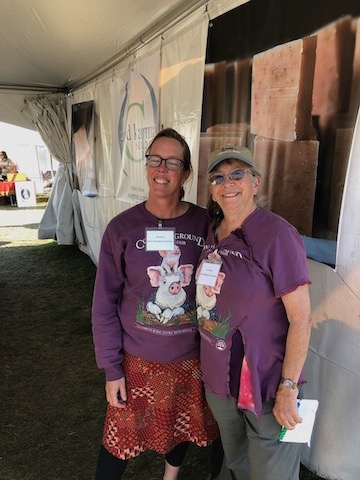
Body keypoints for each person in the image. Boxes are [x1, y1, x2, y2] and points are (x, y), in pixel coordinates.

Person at [92, 128, 219, 480]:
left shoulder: (205, 224)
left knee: (179, 426)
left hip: (190, 360)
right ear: (146, 165)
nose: (161, 168)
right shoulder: (122, 228)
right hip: (137, 363)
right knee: (118, 440)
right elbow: (103, 303)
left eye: (172, 162)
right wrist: (111, 369)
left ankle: (170, 476)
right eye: (155, 159)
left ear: (186, 173)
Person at [196, 144, 312, 480]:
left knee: (272, 471)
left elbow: (301, 318)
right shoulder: (212, 232)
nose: (227, 183)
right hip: (220, 381)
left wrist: (288, 388)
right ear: (211, 189)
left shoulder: (278, 235)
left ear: (256, 182)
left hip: (265, 381)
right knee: (237, 462)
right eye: (218, 177)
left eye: (237, 174)